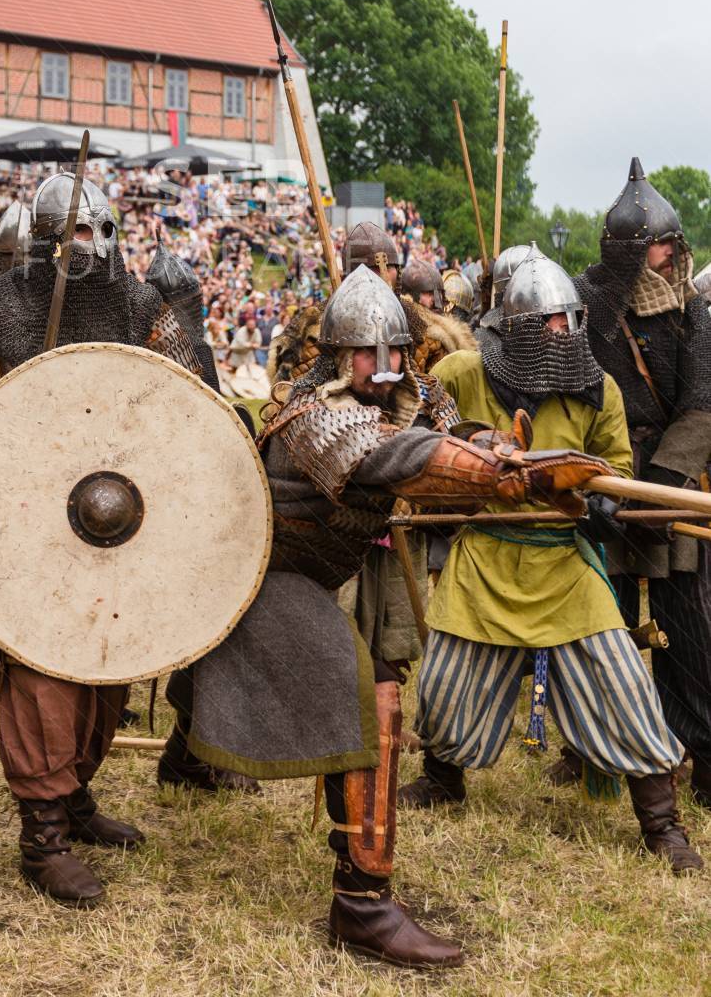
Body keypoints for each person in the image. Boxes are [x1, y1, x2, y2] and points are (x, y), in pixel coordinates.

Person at [162, 265, 619, 968]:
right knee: (371, 692)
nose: (383, 368)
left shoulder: (410, 390)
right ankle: (362, 902)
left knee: (251, 686)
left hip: (308, 575)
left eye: (395, 352)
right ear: (335, 356)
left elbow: (445, 425)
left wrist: (492, 445)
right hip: (261, 576)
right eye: (365, 355)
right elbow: (391, 454)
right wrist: (499, 474)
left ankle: (184, 754)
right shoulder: (310, 415)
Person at [0, 172, 204, 906]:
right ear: (43, 240)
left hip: (115, 515)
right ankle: (42, 837)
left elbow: (192, 397)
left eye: (99, 230)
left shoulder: (138, 305)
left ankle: (75, 796)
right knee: (41, 671)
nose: (90, 245)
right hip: (22, 518)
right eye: (73, 231)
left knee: (107, 663)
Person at [401, 254, 703, 874]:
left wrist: (599, 500)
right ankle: (442, 779)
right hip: (485, 555)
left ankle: (662, 823)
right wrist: (465, 446)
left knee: (625, 691)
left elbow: (615, 467)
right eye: (552, 324)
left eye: (570, 321)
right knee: (441, 689)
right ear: (517, 329)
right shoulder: (466, 372)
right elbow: (419, 407)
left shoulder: (598, 390)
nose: (565, 335)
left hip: (564, 565)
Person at [570, 158, 711, 805]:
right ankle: (598, 756)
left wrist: (658, 490)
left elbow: (700, 410)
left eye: (673, 244)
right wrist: (601, 483)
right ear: (628, 253)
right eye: (661, 245)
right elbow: (573, 399)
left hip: (674, 488)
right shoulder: (589, 316)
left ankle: (702, 757)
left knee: (689, 633)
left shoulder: (694, 315)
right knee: (606, 630)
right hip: (607, 484)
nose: (672, 255)